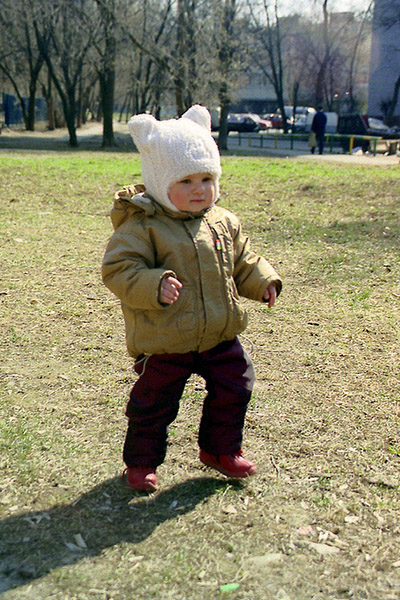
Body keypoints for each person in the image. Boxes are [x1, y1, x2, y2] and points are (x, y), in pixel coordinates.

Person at [102, 105, 282, 492]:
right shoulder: (142, 225)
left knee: (236, 384)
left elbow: (243, 259)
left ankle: (219, 450)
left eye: (207, 178)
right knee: (154, 403)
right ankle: (141, 462)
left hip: (219, 332)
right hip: (166, 338)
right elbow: (119, 269)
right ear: (159, 181)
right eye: (185, 180)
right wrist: (154, 284)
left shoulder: (223, 221)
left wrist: (262, 280)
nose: (200, 189)